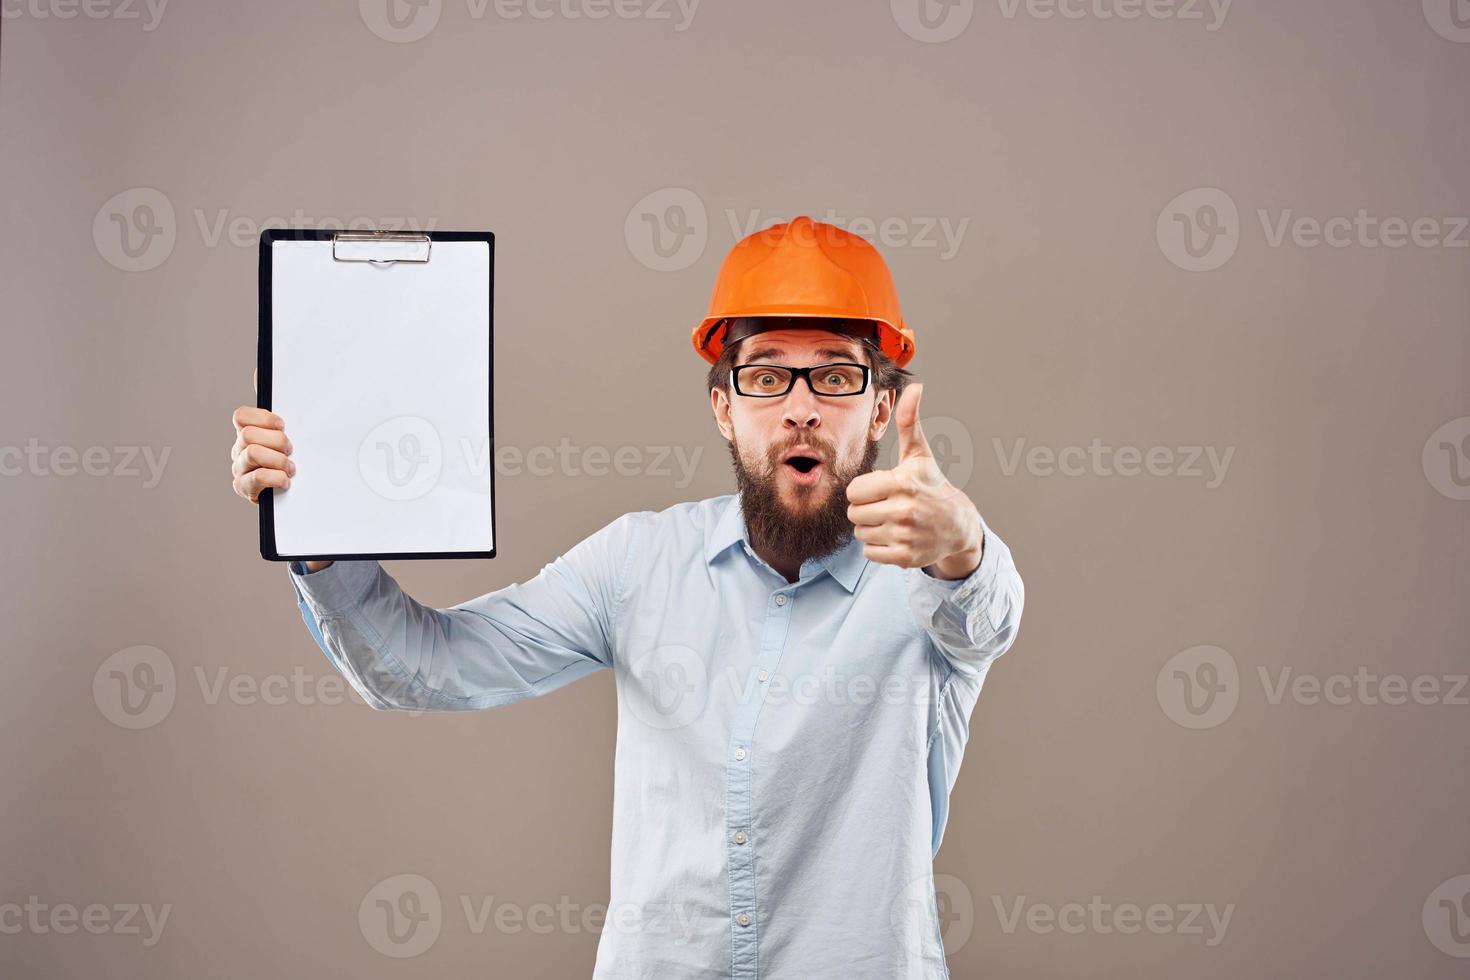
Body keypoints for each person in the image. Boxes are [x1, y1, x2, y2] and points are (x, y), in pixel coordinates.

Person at [229, 215, 1024, 978]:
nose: (802, 407)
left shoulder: (929, 580)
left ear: (881, 408)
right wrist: (319, 521)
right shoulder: (639, 562)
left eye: (838, 376)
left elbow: (984, 614)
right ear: (725, 406)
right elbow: (425, 667)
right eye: (768, 374)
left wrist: (961, 546)